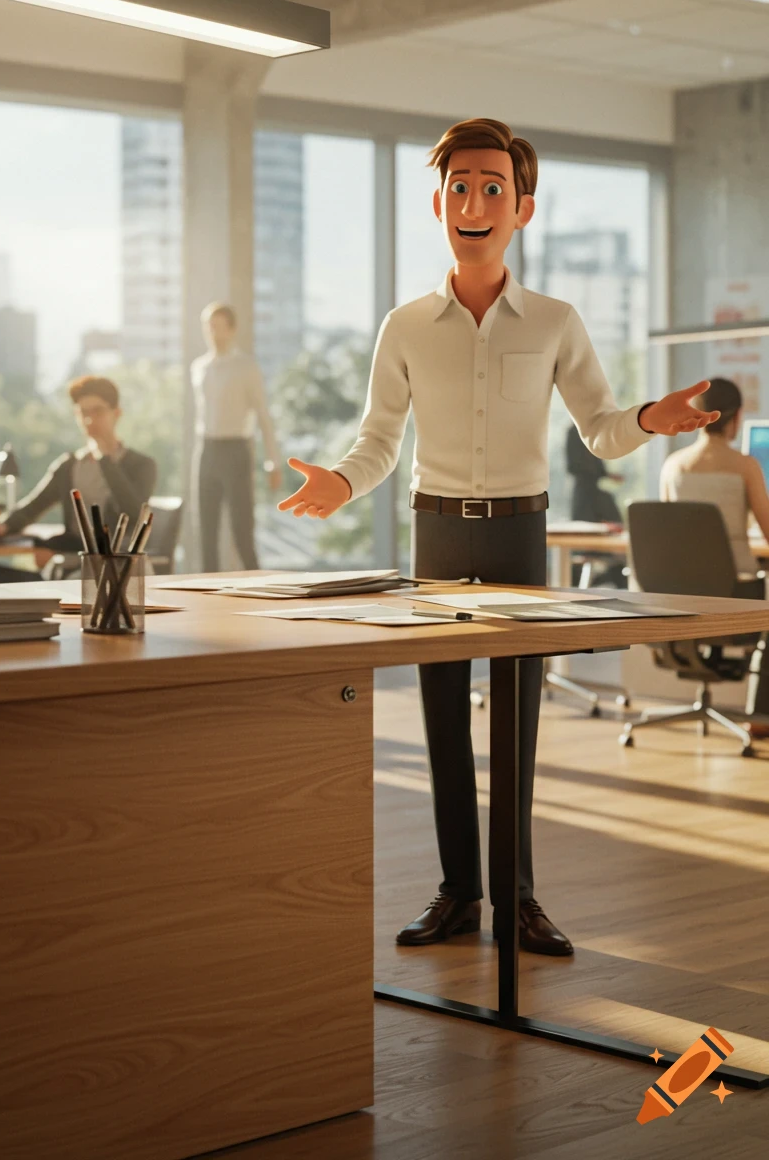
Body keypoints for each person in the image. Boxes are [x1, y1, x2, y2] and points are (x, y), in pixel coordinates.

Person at [278, 116, 719, 957]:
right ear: (437, 204)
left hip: (520, 534)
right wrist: (340, 481)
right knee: (443, 721)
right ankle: (458, 896)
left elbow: (599, 428)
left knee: (517, 723)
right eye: (459, 188)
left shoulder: (554, 320)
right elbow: (379, 442)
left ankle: (518, 900)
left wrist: (648, 420)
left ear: (522, 208)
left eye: (492, 189)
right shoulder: (405, 326)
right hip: (438, 535)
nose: (474, 204)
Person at [0, 374, 156, 583]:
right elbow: (33, 506)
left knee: (76, 579)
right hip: (69, 563)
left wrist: (104, 457)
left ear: (116, 413)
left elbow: (134, 512)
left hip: (115, 568)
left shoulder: (142, 465)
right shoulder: (69, 466)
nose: (89, 419)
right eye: (83, 412)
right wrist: (3, 526)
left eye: (98, 411)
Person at [661, 376, 769, 728]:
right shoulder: (745, 466)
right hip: (734, 597)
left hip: (678, 599)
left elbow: (670, 540)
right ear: (735, 418)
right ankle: (762, 716)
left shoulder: (672, 466)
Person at [191, 302, 281, 573]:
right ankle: (206, 589)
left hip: (236, 450)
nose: (213, 333)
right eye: (209, 326)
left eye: (218, 326)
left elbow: (263, 415)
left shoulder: (246, 367)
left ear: (232, 329)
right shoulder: (199, 367)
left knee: (242, 530)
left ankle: (259, 583)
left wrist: (273, 462)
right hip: (207, 449)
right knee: (206, 531)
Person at [565, 423, 626, 587]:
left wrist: (606, 474)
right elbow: (574, 466)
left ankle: (613, 576)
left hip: (591, 490)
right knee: (584, 547)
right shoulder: (574, 432)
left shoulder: (592, 431)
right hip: (584, 492)